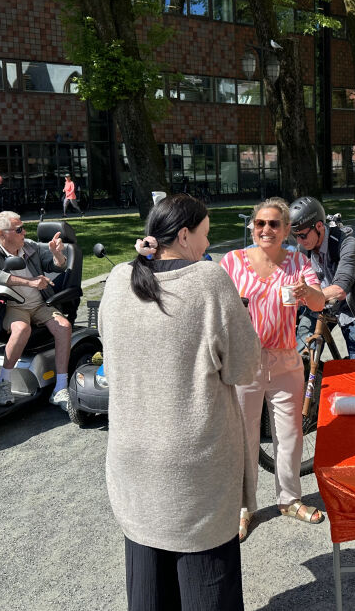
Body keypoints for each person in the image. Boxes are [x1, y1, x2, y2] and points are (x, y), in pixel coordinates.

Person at [99, 194, 260, 611]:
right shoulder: (209, 282)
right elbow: (243, 368)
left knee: (148, 583)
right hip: (194, 463)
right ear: (184, 234)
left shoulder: (118, 280)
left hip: (131, 457)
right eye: (205, 236)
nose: (209, 246)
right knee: (207, 584)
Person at [220, 197, 328, 541]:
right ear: (252, 227)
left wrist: (307, 291)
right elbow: (215, 304)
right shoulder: (232, 261)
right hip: (244, 362)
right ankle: (243, 508)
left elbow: (320, 302)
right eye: (260, 224)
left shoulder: (297, 261)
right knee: (244, 438)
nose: (266, 230)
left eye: (274, 224)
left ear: (285, 231)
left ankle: (289, 499)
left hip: (285, 360)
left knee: (290, 435)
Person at [0, 211, 72, 408]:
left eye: (23, 228)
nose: (24, 232)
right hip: (13, 306)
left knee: (63, 326)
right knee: (21, 329)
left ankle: (60, 388)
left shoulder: (30, 247)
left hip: (39, 304)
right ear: (2, 234)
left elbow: (57, 267)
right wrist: (30, 282)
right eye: (19, 229)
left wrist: (57, 255)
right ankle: (3, 383)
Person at [289, 196, 355, 360]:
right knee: (297, 358)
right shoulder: (302, 248)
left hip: (350, 308)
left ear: (319, 226)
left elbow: (340, 290)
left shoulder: (346, 244)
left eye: (302, 235)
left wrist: (309, 294)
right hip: (318, 306)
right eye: (295, 236)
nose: (299, 241)